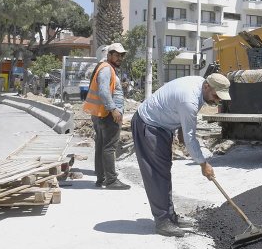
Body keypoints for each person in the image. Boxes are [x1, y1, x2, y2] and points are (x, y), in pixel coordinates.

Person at [131, 73, 231, 237]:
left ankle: (170, 216)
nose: (217, 100)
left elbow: (183, 125)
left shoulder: (200, 87)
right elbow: (190, 137)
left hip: (161, 126)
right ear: (207, 86)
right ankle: (163, 222)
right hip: (149, 125)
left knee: (164, 171)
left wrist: (181, 131)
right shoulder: (189, 99)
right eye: (216, 96)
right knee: (157, 174)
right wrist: (203, 164)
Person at [83, 42, 129, 190]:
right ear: (109, 55)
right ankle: (111, 180)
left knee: (101, 146)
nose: (119, 58)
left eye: (121, 55)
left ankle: (101, 178)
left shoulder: (105, 68)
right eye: (116, 55)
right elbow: (103, 91)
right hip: (108, 114)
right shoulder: (106, 69)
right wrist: (114, 109)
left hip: (102, 113)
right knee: (109, 147)